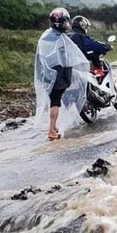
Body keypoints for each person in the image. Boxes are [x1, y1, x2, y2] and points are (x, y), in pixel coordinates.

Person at [34, 8, 90, 141]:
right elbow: (69, 58)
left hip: (47, 74)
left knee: (54, 101)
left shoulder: (45, 36)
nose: (67, 24)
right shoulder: (62, 39)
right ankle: (52, 130)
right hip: (58, 74)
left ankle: (53, 129)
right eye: (65, 22)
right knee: (56, 102)